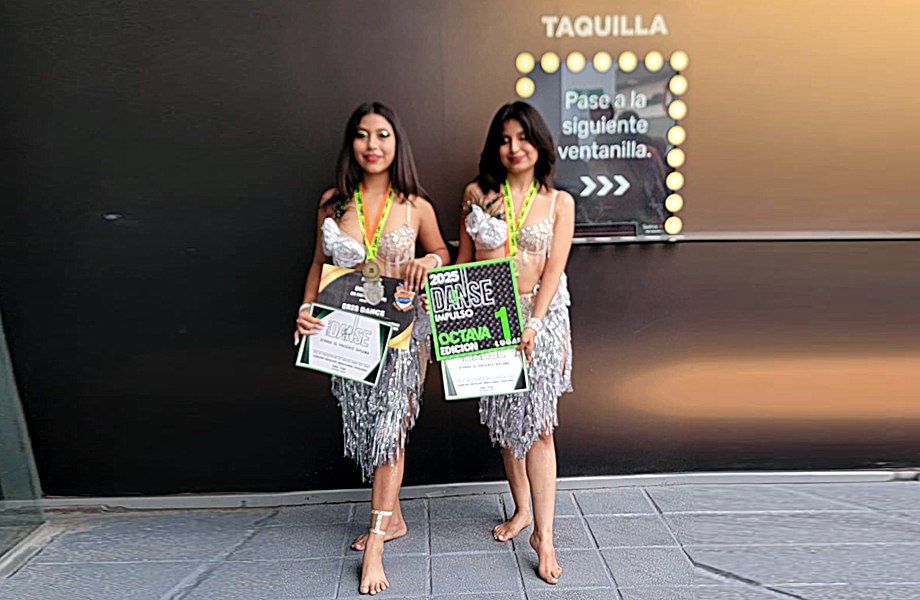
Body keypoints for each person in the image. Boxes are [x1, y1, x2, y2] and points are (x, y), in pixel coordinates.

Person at [294, 102, 449, 595]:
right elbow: (319, 264)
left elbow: (442, 253)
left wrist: (427, 258)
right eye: (362, 135)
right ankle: (395, 519)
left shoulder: (415, 205)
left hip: (403, 340)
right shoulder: (333, 203)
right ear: (352, 144)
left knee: (388, 436)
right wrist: (305, 310)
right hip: (348, 337)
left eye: (382, 135)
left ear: (396, 142)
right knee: (369, 433)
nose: (373, 145)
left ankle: (378, 543)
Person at [457, 101, 574, 584]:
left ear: (538, 142)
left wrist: (535, 323)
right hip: (490, 316)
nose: (513, 148)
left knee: (540, 427)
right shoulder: (476, 194)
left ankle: (544, 536)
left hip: (539, 319)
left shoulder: (558, 202)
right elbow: (463, 264)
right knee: (508, 424)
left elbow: (553, 270)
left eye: (522, 138)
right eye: (504, 140)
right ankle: (522, 509)